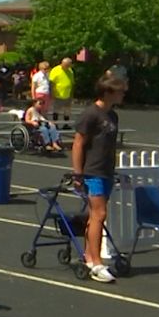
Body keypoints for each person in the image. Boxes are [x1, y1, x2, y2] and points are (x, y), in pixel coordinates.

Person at [70, 75, 127, 284]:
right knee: (99, 214)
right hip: (92, 171)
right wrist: (78, 173)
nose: (123, 95)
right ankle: (96, 262)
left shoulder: (113, 115)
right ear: (108, 92)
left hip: (106, 171)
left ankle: (88, 256)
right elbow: (78, 144)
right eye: (120, 91)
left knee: (96, 216)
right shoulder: (91, 114)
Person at [48, 57, 75, 125]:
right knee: (56, 109)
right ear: (62, 63)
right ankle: (55, 124)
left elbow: (72, 83)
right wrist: (52, 93)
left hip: (67, 94)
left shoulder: (70, 71)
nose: (67, 67)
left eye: (68, 65)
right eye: (65, 65)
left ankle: (66, 124)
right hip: (58, 94)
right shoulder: (55, 70)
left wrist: (71, 94)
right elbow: (51, 82)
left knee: (67, 110)